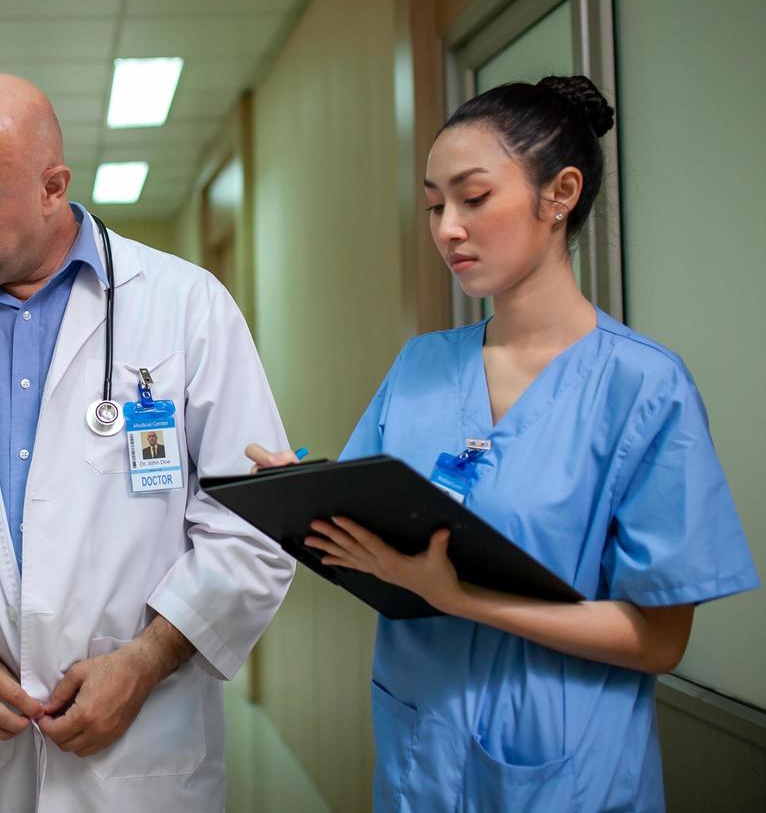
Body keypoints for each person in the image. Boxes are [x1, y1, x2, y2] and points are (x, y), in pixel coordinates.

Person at [249, 75, 758, 811]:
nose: (447, 227)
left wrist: (463, 599)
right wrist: (299, 492)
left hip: (566, 772)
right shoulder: (421, 367)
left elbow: (659, 640)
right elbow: (377, 531)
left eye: (473, 198)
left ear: (560, 195)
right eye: (434, 204)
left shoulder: (642, 387)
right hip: (421, 756)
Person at [0, 73, 295, 811]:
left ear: (54, 188)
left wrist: (147, 661)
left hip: (146, 756)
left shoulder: (187, 307)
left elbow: (251, 525)